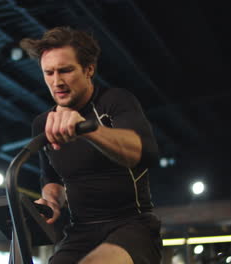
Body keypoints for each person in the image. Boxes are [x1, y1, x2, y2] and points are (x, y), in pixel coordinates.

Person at [20, 26, 162, 264]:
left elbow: (146, 153)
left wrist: (88, 128)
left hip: (132, 226)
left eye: (65, 70)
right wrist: (51, 203)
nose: (57, 82)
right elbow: (52, 179)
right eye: (49, 73)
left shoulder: (115, 101)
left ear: (89, 69)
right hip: (81, 231)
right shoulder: (44, 123)